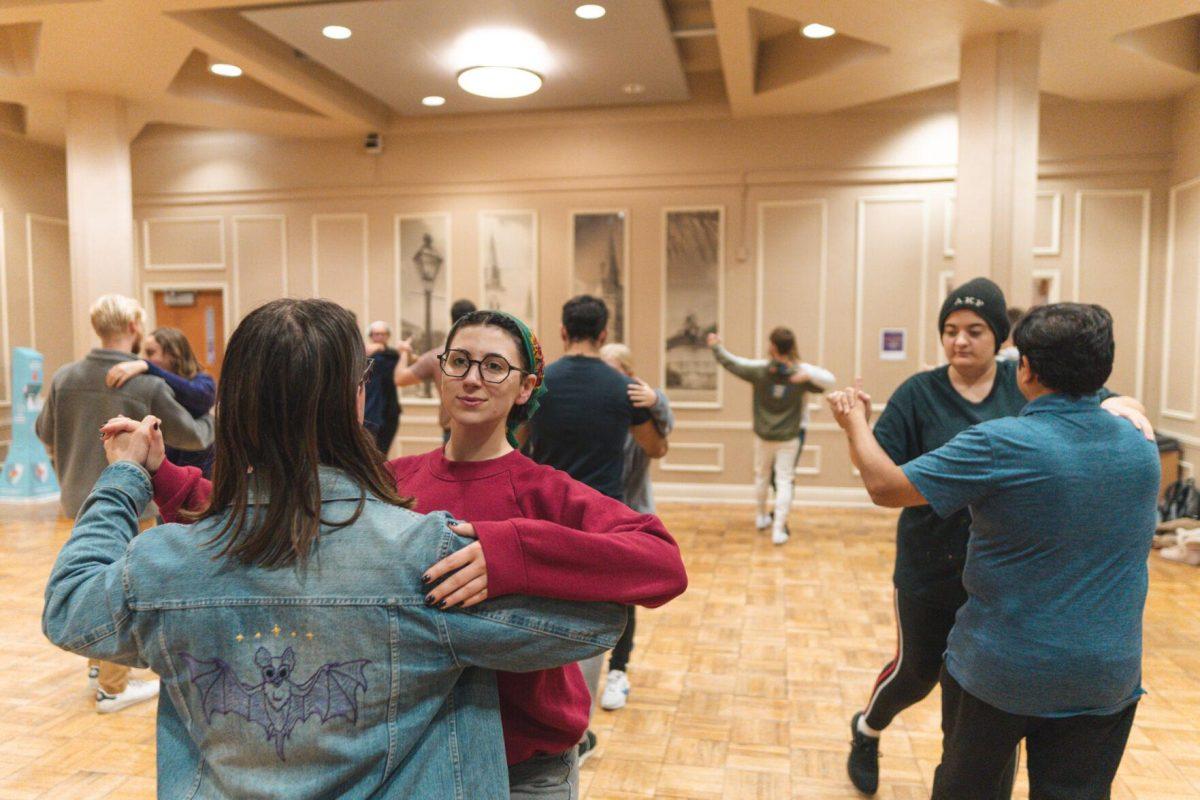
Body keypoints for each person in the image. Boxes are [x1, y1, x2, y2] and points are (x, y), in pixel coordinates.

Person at [45, 298, 628, 799]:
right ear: (354, 399)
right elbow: (598, 621)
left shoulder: (165, 564)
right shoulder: (426, 554)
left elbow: (70, 607)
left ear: (236, 401)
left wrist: (126, 478)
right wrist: (509, 551)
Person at [828, 302, 1159, 800]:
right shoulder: (1141, 445)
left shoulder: (1001, 444)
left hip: (1003, 671)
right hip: (1105, 676)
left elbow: (884, 485)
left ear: (1024, 368)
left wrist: (853, 421)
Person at [36, 294, 215, 714]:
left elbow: (46, 432)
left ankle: (99, 667)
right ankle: (113, 685)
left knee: (88, 568)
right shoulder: (146, 385)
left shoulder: (64, 376)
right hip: (134, 497)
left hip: (77, 493)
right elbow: (194, 436)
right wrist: (211, 419)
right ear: (134, 327)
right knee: (121, 582)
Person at [525, 295, 670, 757]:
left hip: (546, 512)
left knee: (544, 619)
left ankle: (544, 722)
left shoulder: (539, 384)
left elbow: (517, 441)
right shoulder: (622, 386)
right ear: (604, 334)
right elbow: (655, 447)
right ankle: (577, 734)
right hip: (601, 519)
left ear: (563, 332)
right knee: (590, 628)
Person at [598, 342, 675, 711]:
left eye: (616, 373)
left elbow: (666, 432)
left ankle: (618, 671)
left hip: (633, 513)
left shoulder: (639, 405)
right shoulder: (592, 406)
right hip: (597, 515)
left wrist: (655, 398)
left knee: (626, 598)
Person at [706, 327, 834, 544]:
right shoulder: (800, 374)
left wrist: (716, 347)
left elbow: (733, 363)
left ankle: (760, 517)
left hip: (764, 435)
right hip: (790, 437)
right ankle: (778, 530)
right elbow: (827, 382)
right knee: (785, 480)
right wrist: (808, 376)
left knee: (762, 476)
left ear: (772, 346)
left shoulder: (760, 371)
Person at [106, 326, 216, 476]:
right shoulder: (151, 386)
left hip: (200, 478)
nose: (143, 358)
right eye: (144, 353)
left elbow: (200, 397)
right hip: (164, 476)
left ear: (174, 355)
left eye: (150, 353)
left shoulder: (203, 381)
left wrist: (149, 367)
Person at [395, 298, 477, 441]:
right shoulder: (489, 354)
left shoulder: (437, 356)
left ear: (452, 320)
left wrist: (403, 351)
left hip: (453, 432)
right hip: (484, 430)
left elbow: (400, 378)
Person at [363, 320, 402, 455]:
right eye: (376, 334)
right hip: (369, 410)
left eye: (382, 334)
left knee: (382, 453)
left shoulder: (392, 355)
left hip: (389, 411)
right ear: (371, 335)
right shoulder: (363, 354)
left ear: (388, 336)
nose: (379, 337)